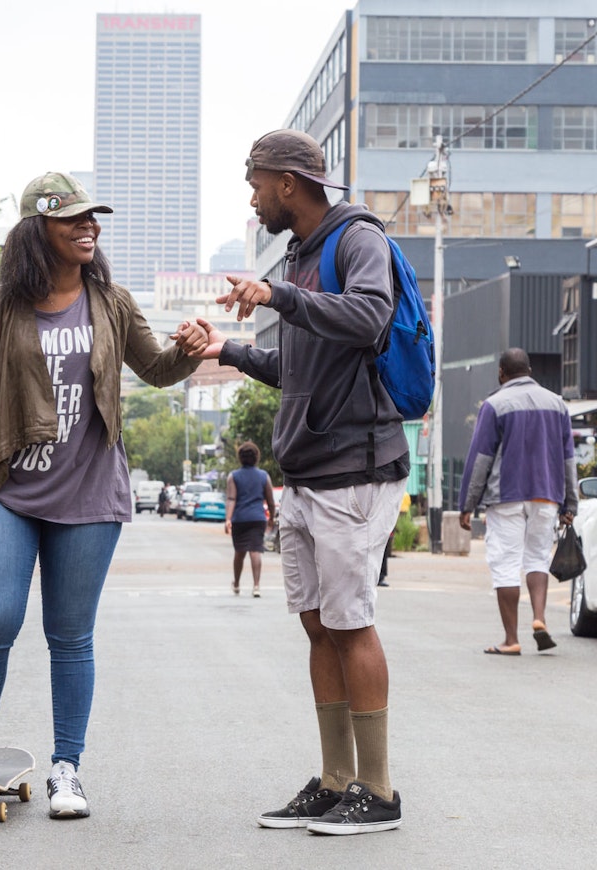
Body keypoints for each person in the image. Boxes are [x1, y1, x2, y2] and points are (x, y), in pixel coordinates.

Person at [0, 171, 206, 820]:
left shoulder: (110, 301)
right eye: (74, 220)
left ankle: (68, 769)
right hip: (7, 487)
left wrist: (192, 349)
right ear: (40, 230)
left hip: (89, 494)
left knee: (70, 635)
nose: (89, 228)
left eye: (93, 220)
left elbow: (155, 368)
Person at [189, 129, 408, 835]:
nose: (252, 199)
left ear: (288, 181)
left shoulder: (356, 238)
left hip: (355, 467)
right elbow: (296, 369)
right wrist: (225, 350)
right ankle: (335, 778)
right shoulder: (300, 255)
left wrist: (280, 296)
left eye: (255, 184)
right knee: (318, 626)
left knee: (351, 622)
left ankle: (378, 790)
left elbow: (372, 315)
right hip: (306, 473)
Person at [458, 348, 577, 656]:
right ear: (530, 370)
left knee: (506, 564)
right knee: (537, 557)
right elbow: (568, 459)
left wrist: (467, 504)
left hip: (506, 496)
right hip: (546, 494)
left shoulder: (494, 405)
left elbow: (480, 459)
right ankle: (539, 618)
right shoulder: (557, 404)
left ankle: (511, 640)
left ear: (501, 372)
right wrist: (570, 504)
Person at [224, 441, 275, 597]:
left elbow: (231, 499)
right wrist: (271, 518)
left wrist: (228, 519)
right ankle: (256, 586)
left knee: (239, 552)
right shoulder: (264, 476)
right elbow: (270, 500)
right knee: (255, 550)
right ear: (256, 457)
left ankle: (237, 584)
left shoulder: (233, 476)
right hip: (258, 518)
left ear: (240, 457)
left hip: (239, 518)